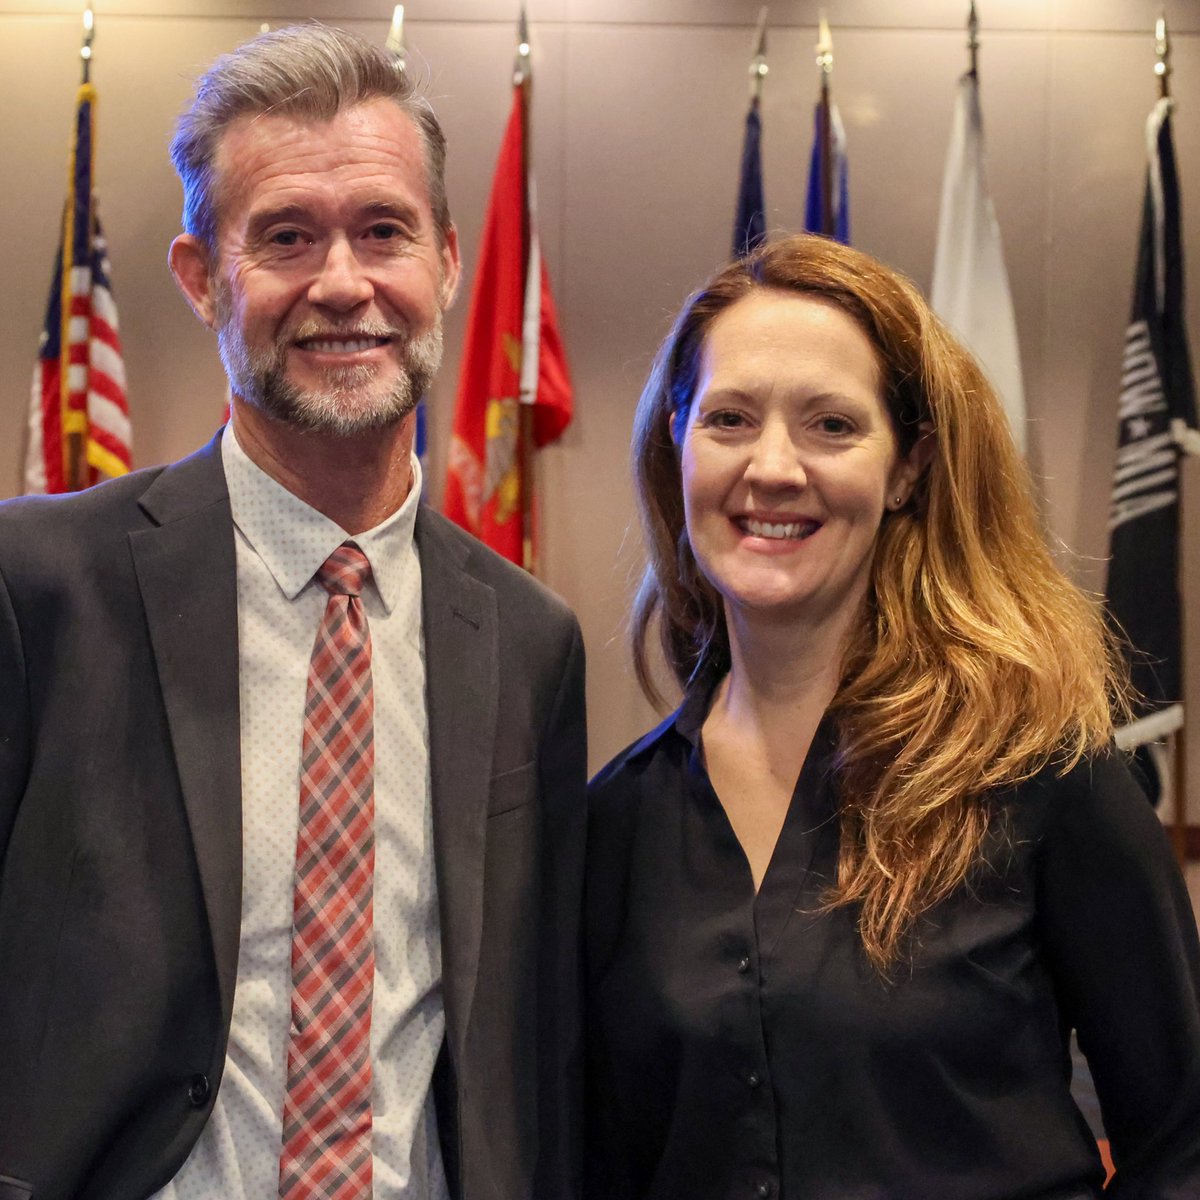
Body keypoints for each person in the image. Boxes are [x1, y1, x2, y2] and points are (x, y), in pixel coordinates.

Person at [0, 24, 585, 1200]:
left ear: (448, 261)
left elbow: (538, 1043)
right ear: (201, 276)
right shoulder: (35, 587)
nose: (343, 284)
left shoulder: (532, 643)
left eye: (384, 231)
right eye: (285, 237)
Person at [585, 234, 1200, 1199]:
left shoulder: (1036, 773)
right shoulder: (615, 823)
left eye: (831, 425)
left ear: (908, 469)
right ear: (678, 444)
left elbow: (1184, 1141)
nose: (773, 467)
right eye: (730, 419)